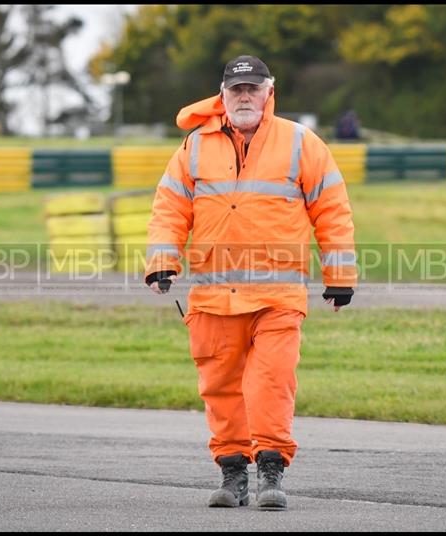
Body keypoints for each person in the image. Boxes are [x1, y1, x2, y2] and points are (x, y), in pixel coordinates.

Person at [144, 55, 356, 509]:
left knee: (271, 382)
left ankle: (272, 471)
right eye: (237, 89)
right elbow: (169, 208)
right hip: (213, 298)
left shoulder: (302, 143)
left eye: (253, 89)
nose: (245, 97)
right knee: (220, 387)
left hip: (277, 297)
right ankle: (233, 473)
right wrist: (162, 261)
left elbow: (332, 210)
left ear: (269, 92)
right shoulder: (194, 146)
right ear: (222, 94)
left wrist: (340, 276)